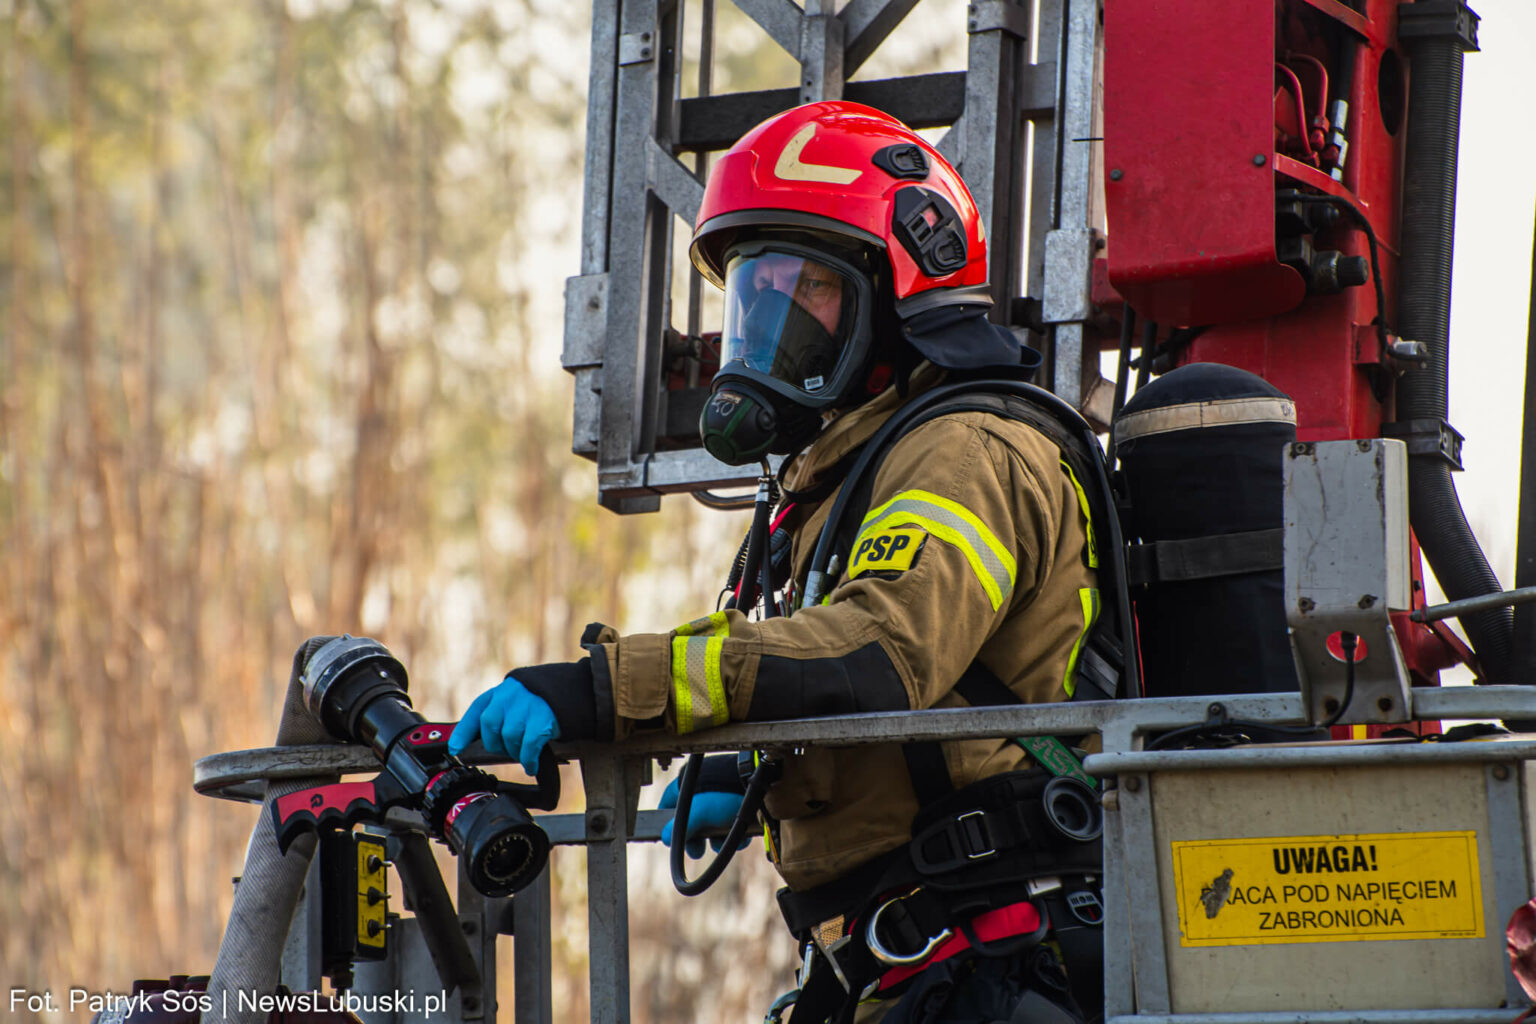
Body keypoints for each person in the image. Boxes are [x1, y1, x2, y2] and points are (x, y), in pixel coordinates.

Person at [451, 101, 1107, 1023]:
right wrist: (761, 772)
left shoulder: (966, 452)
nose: (766, 323)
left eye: (806, 287)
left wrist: (607, 688)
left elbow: (871, 658)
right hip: (895, 970)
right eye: (750, 292)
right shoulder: (843, 479)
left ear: (901, 291)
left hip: (987, 969)